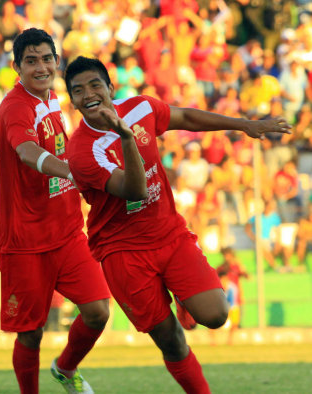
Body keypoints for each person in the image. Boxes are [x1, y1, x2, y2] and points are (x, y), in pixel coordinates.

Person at [63, 56, 290, 393]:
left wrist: (243, 124)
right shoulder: (81, 151)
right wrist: (126, 138)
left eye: (95, 84)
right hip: (123, 252)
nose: (89, 94)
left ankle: (184, 297)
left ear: (111, 87)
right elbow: (134, 191)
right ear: (73, 101)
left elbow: (185, 117)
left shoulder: (140, 107)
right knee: (172, 342)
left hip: (169, 233)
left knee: (216, 316)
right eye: (78, 90)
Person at [0, 29, 110, 394]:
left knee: (99, 310)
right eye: (31, 61)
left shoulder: (54, 98)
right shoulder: (15, 107)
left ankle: (65, 368)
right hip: (24, 239)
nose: (41, 66)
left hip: (67, 230)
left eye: (46, 58)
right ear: (17, 67)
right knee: (31, 332)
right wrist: (73, 172)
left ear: (56, 61)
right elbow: (27, 152)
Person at [215, 247, 249, 344]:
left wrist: (242, 266)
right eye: (225, 255)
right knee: (217, 318)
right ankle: (214, 340)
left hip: (234, 297)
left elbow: (246, 277)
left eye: (229, 255)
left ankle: (230, 340)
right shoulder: (220, 268)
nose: (227, 257)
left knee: (235, 321)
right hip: (223, 296)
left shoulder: (237, 267)